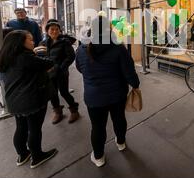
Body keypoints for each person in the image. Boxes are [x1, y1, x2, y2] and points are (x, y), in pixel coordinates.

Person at [75, 16, 140, 167]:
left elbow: (80, 68)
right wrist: (135, 84)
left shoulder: (82, 48)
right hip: (117, 95)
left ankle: (98, 157)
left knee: (97, 127)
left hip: (93, 98)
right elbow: (129, 71)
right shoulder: (118, 47)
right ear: (109, 29)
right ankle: (121, 143)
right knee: (119, 119)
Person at [0, 30, 58, 169]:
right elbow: (49, 63)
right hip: (31, 99)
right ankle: (37, 157)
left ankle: (22, 154)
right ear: (20, 43)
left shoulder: (5, 57)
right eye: (29, 40)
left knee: (21, 127)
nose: (33, 42)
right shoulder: (26, 57)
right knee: (34, 129)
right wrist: (40, 52)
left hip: (14, 100)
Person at [38, 19, 79, 125]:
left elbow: (71, 56)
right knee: (52, 94)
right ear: (47, 31)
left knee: (64, 92)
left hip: (62, 73)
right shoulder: (42, 43)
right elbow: (40, 57)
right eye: (52, 29)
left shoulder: (64, 42)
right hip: (49, 73)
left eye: (57, 29)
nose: (54, 31)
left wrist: (61, 67)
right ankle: (58, 112)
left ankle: (74, 110)